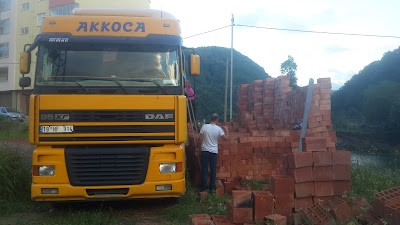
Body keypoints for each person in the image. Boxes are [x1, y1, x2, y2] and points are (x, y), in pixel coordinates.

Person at [198, 113, 229, 192]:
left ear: (210, 119)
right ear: (217, 120)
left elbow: (200, 139)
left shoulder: (204, 126)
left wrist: (198, 148)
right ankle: (212, 188)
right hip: (214, 152)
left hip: (204, 151)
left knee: (204, 169)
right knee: (213, 169)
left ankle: (203, 188)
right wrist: (226, 130)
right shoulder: (218, 129)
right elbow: (226, 138)